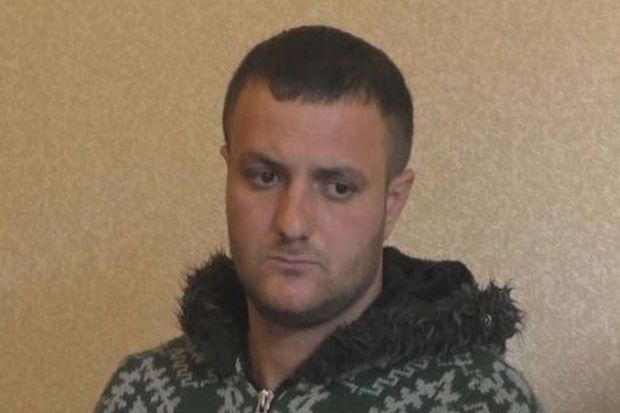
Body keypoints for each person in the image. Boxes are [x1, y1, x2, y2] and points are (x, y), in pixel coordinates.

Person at [94, 25, 543, 412]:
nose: (292, 224)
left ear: (392, 202)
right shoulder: (142, 392)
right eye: (265, 177)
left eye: (338, 188)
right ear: (229, 174)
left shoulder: (477, 402)